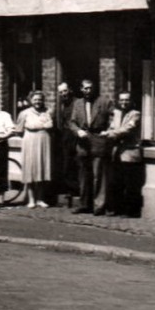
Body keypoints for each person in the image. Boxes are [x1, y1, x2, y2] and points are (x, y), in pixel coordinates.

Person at [68, 78, 114, 214]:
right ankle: (84, 204)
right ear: (81, 89)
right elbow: (72, 122)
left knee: (98, 175)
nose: (88, 91)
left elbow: (114, 117)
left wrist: (109, 130)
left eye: (90, 88)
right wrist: (78, 131)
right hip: (82, 142)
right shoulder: (77, 104)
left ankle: (99, 205)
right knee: (83, 175)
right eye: (85, 88)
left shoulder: (104, 102)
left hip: (98, 140)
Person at [105, 90, 143, 217]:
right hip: (117, 153)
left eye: (126, 100)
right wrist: (109, 131)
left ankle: (131, 211)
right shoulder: (116, 114)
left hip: (130, 153)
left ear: (131, 101)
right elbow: (111, 126)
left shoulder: (135, 114)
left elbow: (127, 129)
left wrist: (110, 134)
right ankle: (118, 208)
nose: (124, 102)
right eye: (121, 100)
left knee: (130, 184)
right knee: (117, 182)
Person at [16, 89, 53, 208]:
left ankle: (40, 199)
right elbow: (19, 130)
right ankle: (31, 199)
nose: (38, 102)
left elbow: (51, 126)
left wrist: (39, 127)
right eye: (35, 99)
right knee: (31, 170)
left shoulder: (47, 112)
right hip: (30, 142)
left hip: (44, 142)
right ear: (31, 100)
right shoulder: (24, 113)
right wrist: (36, 130)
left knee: (42, 169)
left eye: (40, 99)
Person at [51, 81, 78, 207]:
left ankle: (77, 191)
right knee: (66, 165)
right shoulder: (60, 105)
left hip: (76, 138)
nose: (63, 94)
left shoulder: (77, 103)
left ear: (70, 90)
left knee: (76, 164)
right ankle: (69, 191)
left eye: (65, 91)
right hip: (64, 139)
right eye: (61, 92)